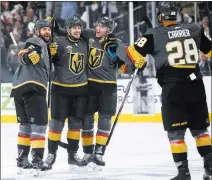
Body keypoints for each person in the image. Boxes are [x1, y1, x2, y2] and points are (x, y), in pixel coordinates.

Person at [103, 2, 212, 180]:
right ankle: (210, 166)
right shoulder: (194, 28)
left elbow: (130, 54)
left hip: (174, 88)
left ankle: (183, 173)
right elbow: (208, 50)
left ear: (160, 15)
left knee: (176, 133)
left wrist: (114, 45)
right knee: (200, 130)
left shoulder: (154, 34)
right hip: (197, 86)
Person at [54, 16, 141, 169]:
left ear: (109, 30)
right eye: (98, 25)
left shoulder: (116, 44)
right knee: (87, 119)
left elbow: (124, 66)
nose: (98, 28)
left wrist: (134, 65)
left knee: (105, 120)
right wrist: (55, 27)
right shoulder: (88, 34)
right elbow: (69, 33)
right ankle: (88, 152)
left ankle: (99, 152)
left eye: (101, 26)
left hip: (108, 87)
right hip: (90, 85)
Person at [10, 19, 57, 176]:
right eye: (43, 29)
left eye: (48, 29)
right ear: (37, 31)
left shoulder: (45, 47)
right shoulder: (35, 41)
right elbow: (25, 53)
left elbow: (48, 68)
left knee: (25, 127)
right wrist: (28, 56)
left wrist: (50, 56)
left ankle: (22, 162)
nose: (47, 32)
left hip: (19, 88)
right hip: (33, 87)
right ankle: (37, 162)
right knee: (39, 126)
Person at [41, 16, 89, 171]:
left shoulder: (85, 42)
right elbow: (50, 60)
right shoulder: (59, 42)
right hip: (60, 90)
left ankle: (72, 155)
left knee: (75, 125)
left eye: (79, 27)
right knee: (56, 124)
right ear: (68, 29)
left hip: (80, 89)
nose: (77, 30)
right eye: (74, 27)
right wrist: (51, 52)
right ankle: (51, 154)